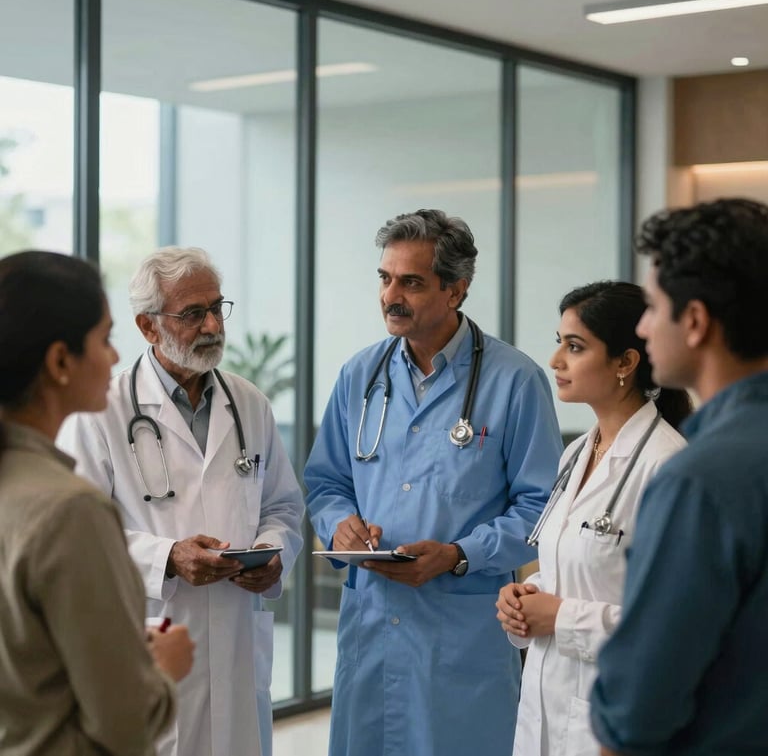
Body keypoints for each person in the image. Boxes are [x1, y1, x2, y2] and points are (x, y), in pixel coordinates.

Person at [304, 208, 562, 756]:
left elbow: (542, 509)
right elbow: (326, 482)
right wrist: (339, 527)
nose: (390, 295)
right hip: (370, 623)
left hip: (462, 634)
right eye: (385, 278)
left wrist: (457, 554)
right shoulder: (360, 374)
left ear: (456, 290)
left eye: (411, 282)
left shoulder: (515, 381)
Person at [58, 247, 304, 756]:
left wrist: (272, 551)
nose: (213, 324)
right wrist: (167, 557)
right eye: (194, 313)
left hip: (237, 637)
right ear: (148, 327)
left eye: (218, 307)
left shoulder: (249, 403)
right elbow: (77, 537)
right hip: (152, 636)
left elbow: (284, 506)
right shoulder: (101, 410)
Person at [589, 198, 768, 755]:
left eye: (654, 307)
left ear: (694, 321)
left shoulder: (701, 479)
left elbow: (638, 708)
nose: (643, 326)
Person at [0, 250, 194, 756]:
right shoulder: (68, 510)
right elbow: (125, 724)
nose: (114, 357)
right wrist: (162, 669)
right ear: (60, 361)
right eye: (104, 338)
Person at [496, 281, 692, 756]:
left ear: (625, 362)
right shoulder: (576, 453)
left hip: (615, 719)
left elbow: (675, 626)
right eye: (559, 341)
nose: (556, 359)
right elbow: (582, 569)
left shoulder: (669, 466)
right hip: (543, 705)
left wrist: (560, 617)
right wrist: (528, 596)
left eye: (575, 346)